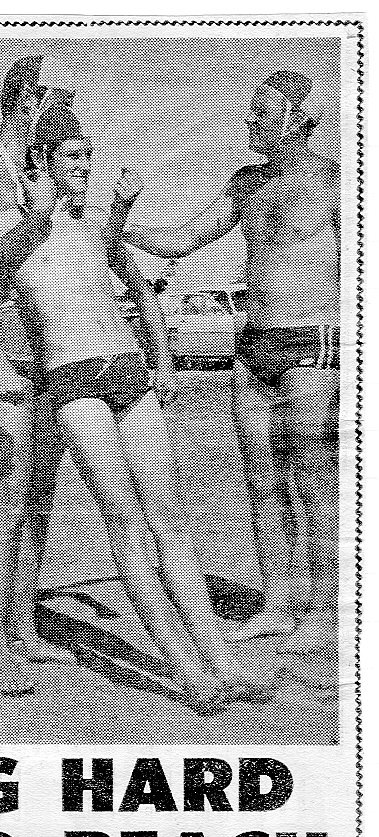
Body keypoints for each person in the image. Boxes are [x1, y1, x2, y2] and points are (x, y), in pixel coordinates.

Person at [0, 101, 276, 713]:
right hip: (58, 379)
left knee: (152, 512)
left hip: (121, 373)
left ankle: (198, 651)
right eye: (74, 156)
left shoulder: (97, 211)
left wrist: (160, 351)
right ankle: (187, 662)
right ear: (40, 151)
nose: (87, 167)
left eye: (90, 154)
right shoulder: (5, 201)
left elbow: (146, 274)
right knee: (87, 515)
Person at [122, 71, 339, 655]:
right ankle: (279, 600)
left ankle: (318, 604)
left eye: (261, 112)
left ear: (296, 116)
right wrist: (121, 228)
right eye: (250, 112)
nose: (249, 123)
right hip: (252, 344)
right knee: (261, 480)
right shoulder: (246, 184)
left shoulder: (335, 179)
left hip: (312, 341)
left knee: (311, 478)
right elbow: (186, 237)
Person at [0, 57, 142, 694]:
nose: (42, 104)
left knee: (34, 502)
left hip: (38, 348)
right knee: (7, 497)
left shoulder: (38, 170)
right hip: (2, 351)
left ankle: (18, 627)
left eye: (50, 95)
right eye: (31, 94)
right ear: (12, 100)